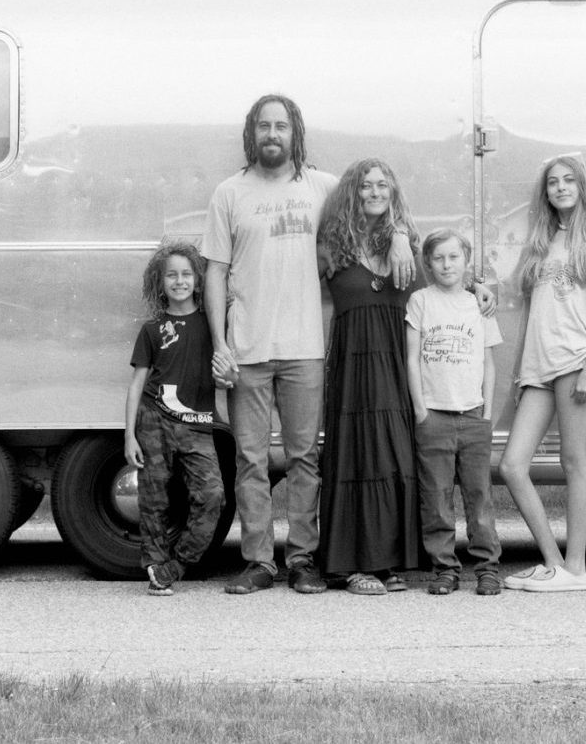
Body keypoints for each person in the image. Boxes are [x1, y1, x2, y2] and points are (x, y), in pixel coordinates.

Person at [203, 94, 415, 595]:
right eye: (263, 126)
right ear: (251, 134)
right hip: (248, 349)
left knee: (304, 459)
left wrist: (402, 233)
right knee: (250, 463)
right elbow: (214, 271)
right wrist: (219, 343)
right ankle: (258, 561)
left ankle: (301, 558)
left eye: (281, 126)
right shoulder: (229, 193)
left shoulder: (322, 187)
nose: (272, 134)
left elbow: (376, 197)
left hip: (308, 348)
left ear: (295, 132)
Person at [498, 154, 586, 593]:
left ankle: (578, 566)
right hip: (538, 366)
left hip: (575, 360)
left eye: (569, 180)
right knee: (512, 465)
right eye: (553, 183)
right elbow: (532, 311)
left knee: (574, 462)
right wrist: (519, 374)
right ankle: (555, 564)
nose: (561, 188)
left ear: (582, 187)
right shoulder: (541, 242)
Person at [314, 158, 424, 595]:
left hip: (396, 361)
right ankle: (351, 564)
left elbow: (441, 279)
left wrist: (477, 286)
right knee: (355, 456)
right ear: (351, 193)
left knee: (393, 456)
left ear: (393, 192)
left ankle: (386, 560)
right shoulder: (331, 245)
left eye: (383, 185)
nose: (375, 192)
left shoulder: (404, 242)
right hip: (353, 361)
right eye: (366, 186)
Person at [405, 227, 505, 597]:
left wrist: (487, 413)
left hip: (473, 414)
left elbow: (490, 365)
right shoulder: (421, 301)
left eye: (454, 257)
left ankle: (487, 566)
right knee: (437, 496)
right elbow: (412, 358)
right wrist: (420, 410)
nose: (447, 264)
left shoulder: (479, 305)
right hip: (435, 415)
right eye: (438, 258)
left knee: (479, 497)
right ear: (428, 264)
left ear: (466, 262)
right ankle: (444, 567)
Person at [123, 241, 226, 596]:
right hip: (154, 420)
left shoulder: (212, 325)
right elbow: (137, 384)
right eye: (171, 275)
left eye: (186, 274)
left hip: (197, 425)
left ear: (198, 281)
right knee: (154, 499)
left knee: (212, 495)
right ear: (161, 282)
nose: (179, 281)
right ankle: (153, 565)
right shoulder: (153, 330)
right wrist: (129, 436)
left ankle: (176, 564)